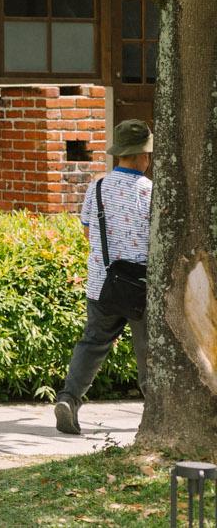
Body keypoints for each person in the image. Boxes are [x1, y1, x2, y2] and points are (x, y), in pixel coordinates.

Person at [53, 118, 153, 436]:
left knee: (93, 342)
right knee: (148, 350)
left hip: (102, 283)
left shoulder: (97, 187)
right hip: (141, 286)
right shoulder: (150, 192)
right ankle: (157, 412)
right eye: (147, 154)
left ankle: (69, 399)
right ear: (140, 156)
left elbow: (87, 232)